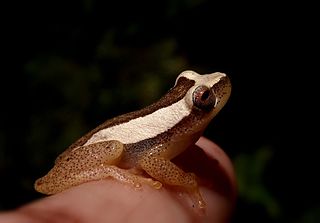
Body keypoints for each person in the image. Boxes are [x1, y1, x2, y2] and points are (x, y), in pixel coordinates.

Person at [0, 137, 236, 223]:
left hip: (84, 148)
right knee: (113, 147)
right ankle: (101, 171)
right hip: (91, 153)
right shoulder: (170, 137)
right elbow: (151, 162)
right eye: (203, 98)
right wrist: (186, 180)